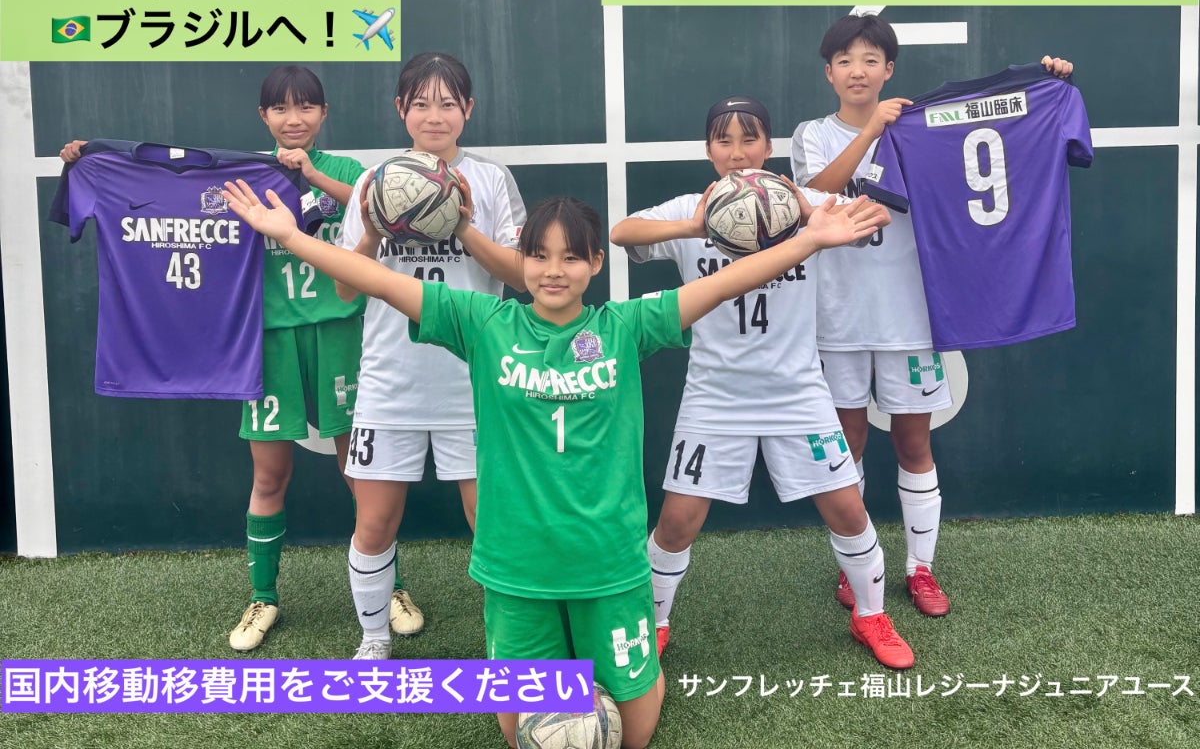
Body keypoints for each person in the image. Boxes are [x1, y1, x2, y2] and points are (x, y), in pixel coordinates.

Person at [222, 178, 889, 749]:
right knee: (523, 735)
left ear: (596, 262)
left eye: (571, 257)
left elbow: (724, 284)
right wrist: (289, 235)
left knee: (632, 735)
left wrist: (807, 241)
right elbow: (377, 279)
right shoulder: (484, 323)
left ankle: (592, 663)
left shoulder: (626, 327)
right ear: (521, 260)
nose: (553, 270)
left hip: (607, 563)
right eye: (539, 255)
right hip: (519, 567)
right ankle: (567, 664)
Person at [60, 65, 369, 651]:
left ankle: (389, 588)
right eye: (281, 108)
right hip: (266, 337)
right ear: (263, 117)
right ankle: (263, 596)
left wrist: (312, 176)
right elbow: (171, 188)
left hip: (337, 330)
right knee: (269, 473)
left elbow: (377, 211)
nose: (294, 118)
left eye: (306, 106)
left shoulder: (347, 171)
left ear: (324, 113)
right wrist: (89, 156)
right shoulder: (239, 177)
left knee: (361, 470)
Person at [611, 96, 913, 671]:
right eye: (723, 140)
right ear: (708, 149)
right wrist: (696, 225)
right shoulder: (692, 206)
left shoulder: (800, 205)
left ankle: (871, 615)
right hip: (715, 395)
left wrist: (816, 213)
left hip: (797, 391)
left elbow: (875, 215)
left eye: (749, 139)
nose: (736, 152)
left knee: (848, 509)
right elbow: (623, 232)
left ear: (768, 147)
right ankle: (654, 624)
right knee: (676, 522)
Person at [789, 14, 1074, 617]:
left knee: (914, 442)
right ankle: (856, 569)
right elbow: (816, 196)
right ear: (828, 72)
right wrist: (873, 131)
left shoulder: (922, 125)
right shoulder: (812, 133)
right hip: (836, 317)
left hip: (910, 314)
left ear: (889, 69)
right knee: (847, 445)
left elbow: (997, 119)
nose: (858, 70)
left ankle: (921, 569)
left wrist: (1044, 80)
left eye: (871, 59)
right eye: (845, 60)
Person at [333, 52, 527, 659]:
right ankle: (373, 640)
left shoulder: (490, 180)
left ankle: (512, 645)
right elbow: (343, 288)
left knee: (491, 525)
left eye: (447, 103)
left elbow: (521, 275)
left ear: (468, 109)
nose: (434, 115)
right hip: (391, 380)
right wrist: (372, 230)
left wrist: (462, 225)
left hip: (474, 382)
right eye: (420, 103)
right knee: (374, 523)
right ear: (401, 109)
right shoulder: (373, 181)